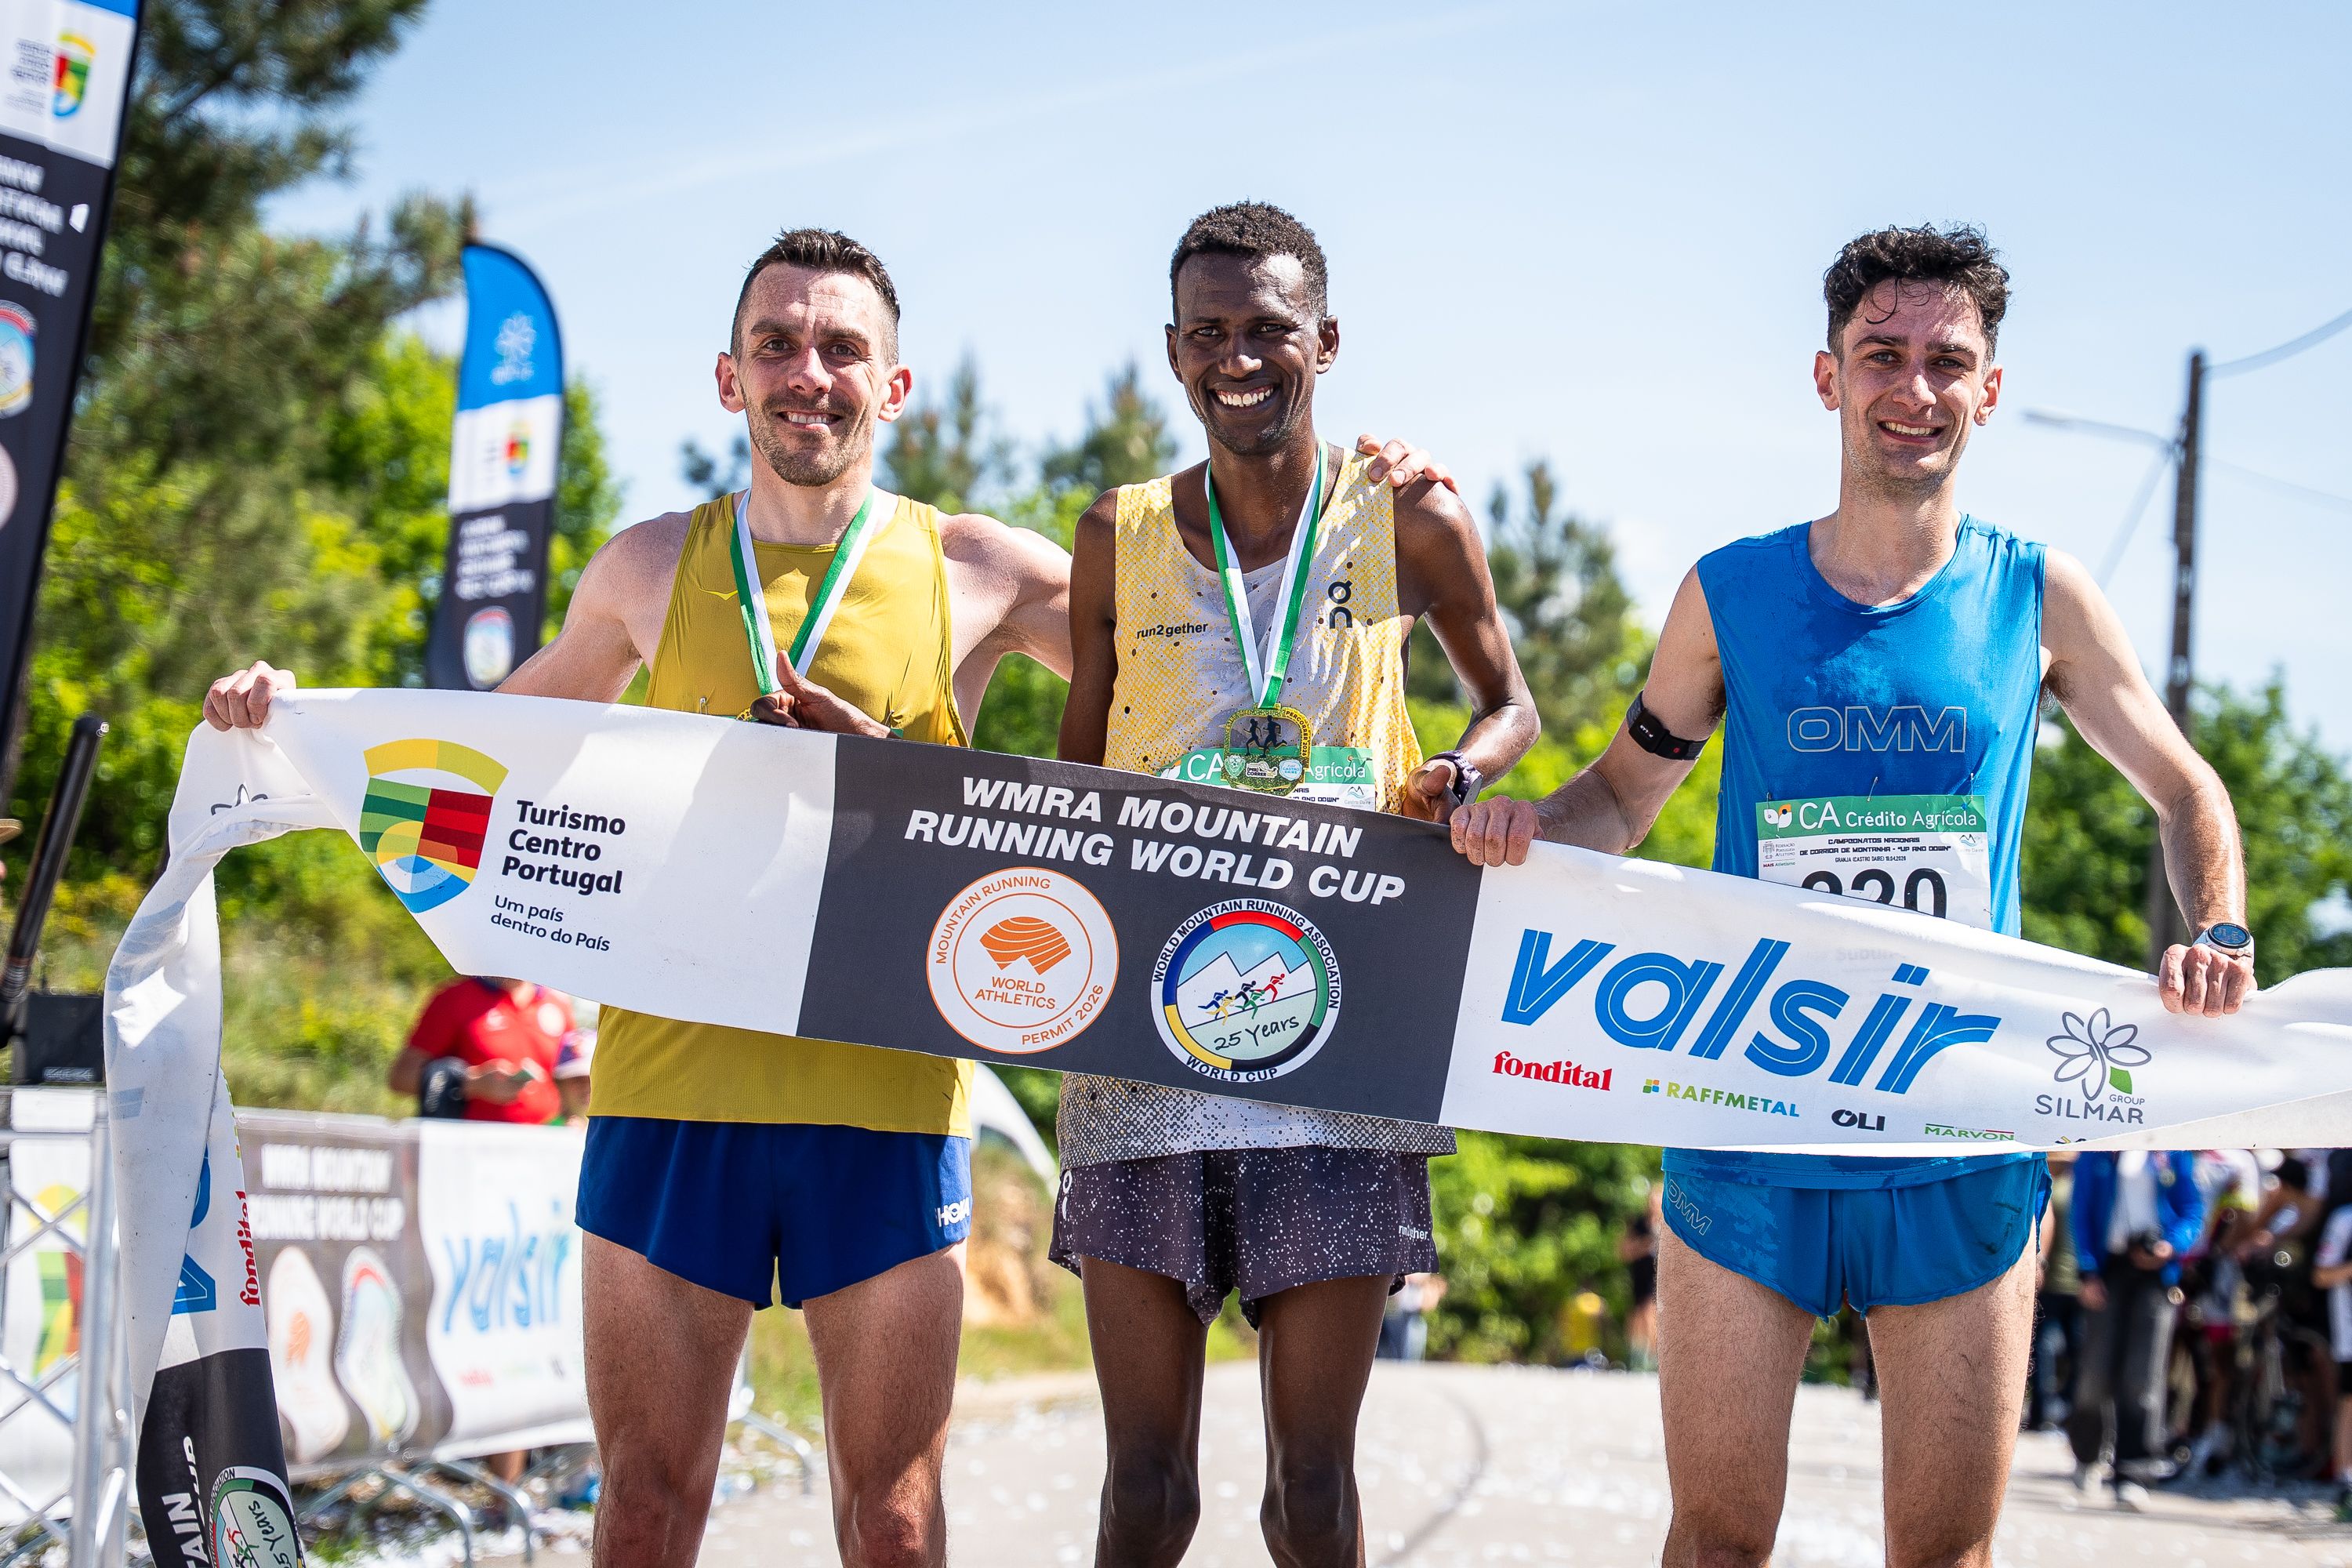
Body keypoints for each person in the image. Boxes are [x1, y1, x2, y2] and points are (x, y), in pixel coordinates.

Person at [207, 227, 1453, 1568]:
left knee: (899, 1526)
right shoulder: (644, 568)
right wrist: (303, 722)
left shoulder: (983, 568)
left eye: (842, 348)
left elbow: (1206, 634)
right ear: (729, 380)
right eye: (778, 346)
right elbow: (480, 740)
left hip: (888, 1095)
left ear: (896, 385)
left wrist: (1366, 504)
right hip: (673, 1094)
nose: (811, 373)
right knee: (643, 1509)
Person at [1446, 223, 2257, 1566]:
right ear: (1828, 377)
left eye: (1948, 360)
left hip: (1955, 1125)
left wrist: (2216, 931)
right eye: (1883, 354)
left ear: (1988, 388)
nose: (1915, 388)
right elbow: (1619, 801)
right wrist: (1525, 828)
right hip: (1751, 1107)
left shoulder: (2041, 597)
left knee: (1942, 1555)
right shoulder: (1730, 592)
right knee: (1715, 1541)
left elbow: (2191, 795)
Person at [1053, 202, 1537, 1568]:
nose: (1239, 357)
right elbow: (1074, 774)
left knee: (1310, 1493)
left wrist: (1458, 766)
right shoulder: (1117, 532)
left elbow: (1514, 706)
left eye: (1269, 330)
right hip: (1140, 1050)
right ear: (1172, 351)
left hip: (1337, 1049)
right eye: (1209, 333)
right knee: (1143, 1493)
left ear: (1326, 341)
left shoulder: (1409, 515)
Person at [2067, 1149, 2205, 1507]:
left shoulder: (2172, 1153)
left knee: (2143, 1378)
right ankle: (2087, 1455)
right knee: (2094, 1375)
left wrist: (2171, 1245)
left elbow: (2192, 1210)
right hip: (2106, 1269)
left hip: (2154, 1277)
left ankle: (2133, 1472)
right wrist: (2086, 1271)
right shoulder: (2098, 1151)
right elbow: (2080, 1212)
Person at [391, 975, 575, 1125]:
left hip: (545, 1147)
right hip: (470, 1147)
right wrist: (472, 1083)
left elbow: (570, 1079)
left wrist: (573, 1118)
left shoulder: (558, 1004)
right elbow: (401, 1077)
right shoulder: (455, 998)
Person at [2311, 1199, 2352, 1517]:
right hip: (2349, 1329)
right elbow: (2321, 1274)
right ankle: (2345, 1482)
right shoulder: (2344, 1218)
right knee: (2349, 1399)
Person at [1620, 1183, 1663, 1372]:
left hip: (1658, 1277)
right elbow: (1624, 1251)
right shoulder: (1639, 1223)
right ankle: (1637, 1356)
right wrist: (1645, 1246)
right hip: (1640, 1274)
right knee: (1638, 1314)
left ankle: (1654, 1357)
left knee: (1651, 1312)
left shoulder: (1669, 1225)